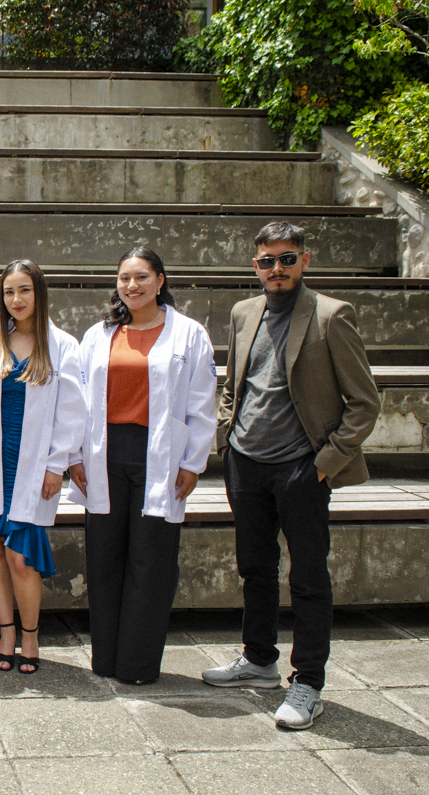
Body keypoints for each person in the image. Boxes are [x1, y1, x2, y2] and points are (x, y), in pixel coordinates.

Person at [202, 222, 380, 730]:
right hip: (246, 463)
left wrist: (324, 464)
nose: (276, 268)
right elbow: (234, 383)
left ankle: (308, 683)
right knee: (254, 568)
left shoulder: (330, 315)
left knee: (308, 576)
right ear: (255, 265)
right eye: (266, 261)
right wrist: (226, 438)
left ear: (305, 260)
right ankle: (259, 660)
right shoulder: (244, 312)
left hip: (302, 468)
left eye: (286, 258)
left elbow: (364, 403)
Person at [68, 246, 217, 685]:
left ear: (160, 281)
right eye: (124, 278)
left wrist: (193, 462)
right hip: (104, 454)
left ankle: (137, 665)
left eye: (141, 277)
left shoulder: (189, 334)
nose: (132, 286)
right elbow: (77, 401)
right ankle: (106, 659)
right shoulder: (100, 334)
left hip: (160, 455)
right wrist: (74, 456)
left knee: (151, 562)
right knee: (104, 558)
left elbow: (201, 402)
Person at [0, 260, 84, 674]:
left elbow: (72, 411)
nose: (16, 299)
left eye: (24, 290)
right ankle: (6, 633)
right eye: (9, 291)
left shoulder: (62, 345)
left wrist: (57, 464)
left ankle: (31, 636)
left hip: (33, 463)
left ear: (39, 292)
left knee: (20, 556)